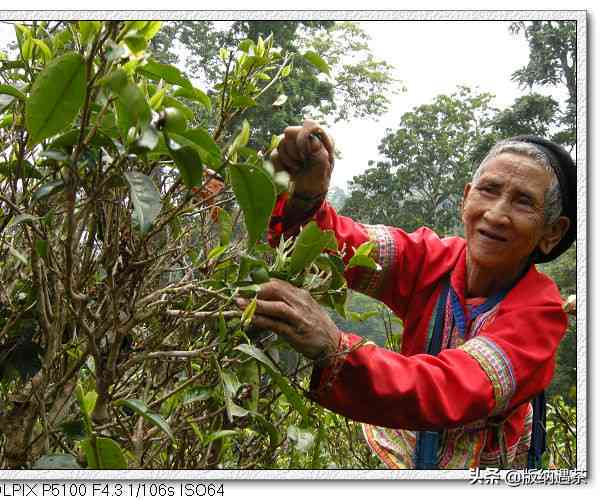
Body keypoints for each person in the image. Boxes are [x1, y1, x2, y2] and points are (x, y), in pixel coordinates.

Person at [236, 120, 577, 469]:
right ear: (465, 199)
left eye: (523, 202)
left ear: (552, 232)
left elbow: (454, 389)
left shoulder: (540, 313)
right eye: (488, 190)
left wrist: (336, 348)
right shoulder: (431, 258)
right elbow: (338, 248)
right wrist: (304, 197)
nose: (496, 213)